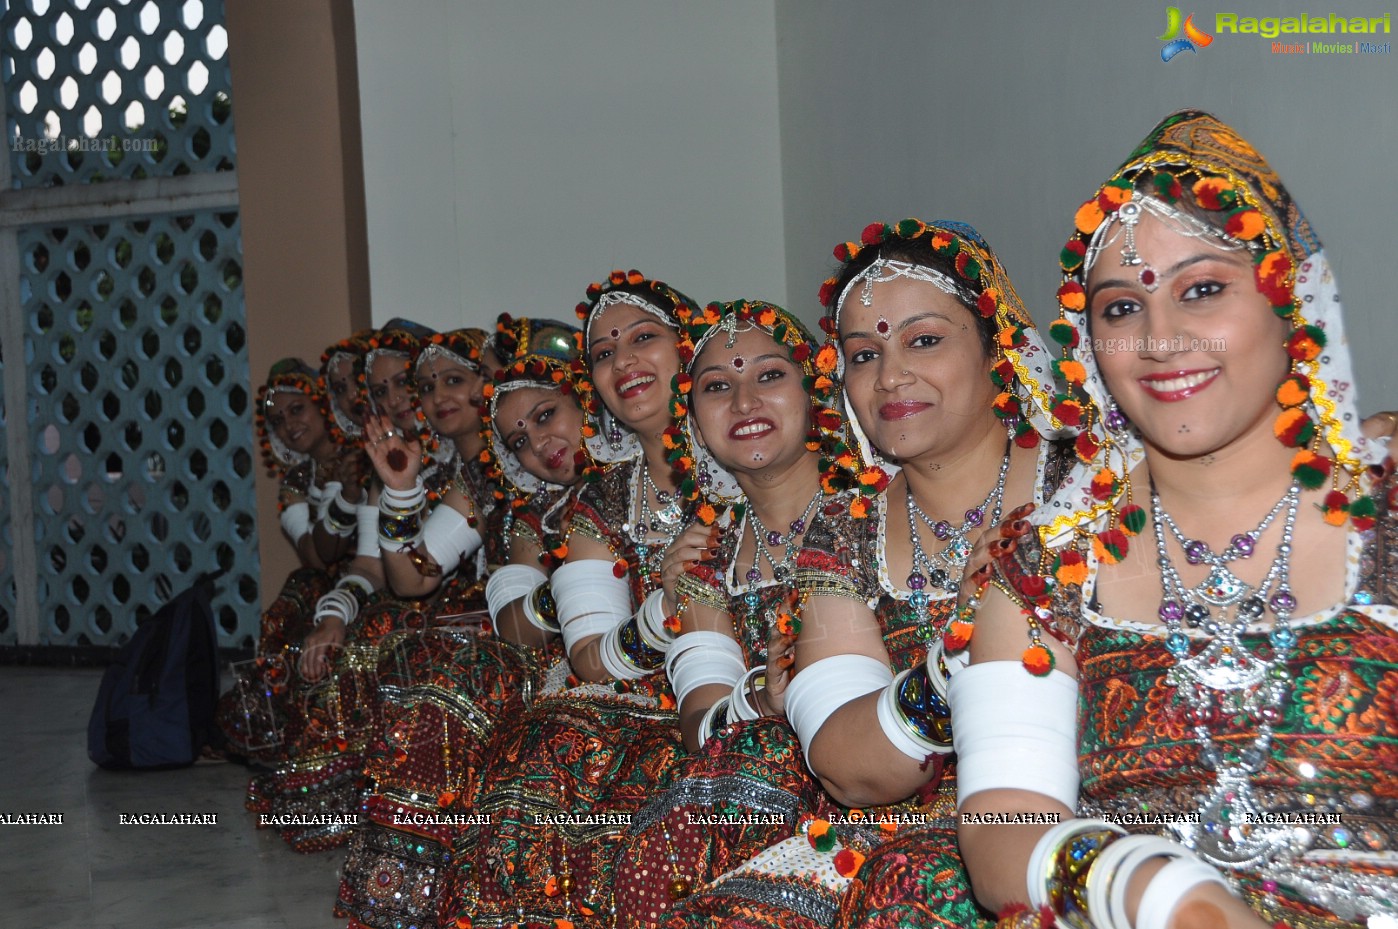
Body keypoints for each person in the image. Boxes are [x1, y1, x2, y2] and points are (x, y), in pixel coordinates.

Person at [954, 111, 1398, 929]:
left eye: (1203, 289)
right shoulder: (1043, 564)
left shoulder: (1388, 518)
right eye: (1121, 308)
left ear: (1289, 299)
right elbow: (1002, 825)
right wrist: (1154, 890)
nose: (1161, 337)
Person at [446, 271, 705, 929]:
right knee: (549, 741)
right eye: (604, 353)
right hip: (648, 690)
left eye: (643, 337)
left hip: (776, 691)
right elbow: (586, 656)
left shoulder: (760, 444)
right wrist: (663, 610)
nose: (623, 361)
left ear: (690, 347)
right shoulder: (602, 500)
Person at [337, 319, 588, 929]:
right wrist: (398, 494)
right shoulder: (495, 480)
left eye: (456, 379)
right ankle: (405, 887)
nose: (437, 397)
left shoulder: (639, 472)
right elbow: (414, 575)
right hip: (528, 635)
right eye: (427, 388)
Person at [611, 299, 854, 928]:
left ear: (816, 391)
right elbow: (698, 723)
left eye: (769, 376)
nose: (745, 403)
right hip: (760, 767)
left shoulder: (876, 514)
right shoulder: (704, 559)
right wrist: (761, 700)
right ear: (693, 419)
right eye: (718, 387)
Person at [216, 358, 351, 759]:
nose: (289, 425)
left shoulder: (363, 453)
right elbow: (315, 556)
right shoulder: (295, 483)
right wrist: (339, 491)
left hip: (373, 575)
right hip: (328, 578)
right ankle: (272, 724)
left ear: (323, 405)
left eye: (297, 410)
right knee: (293, 597)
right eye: (277, 421)